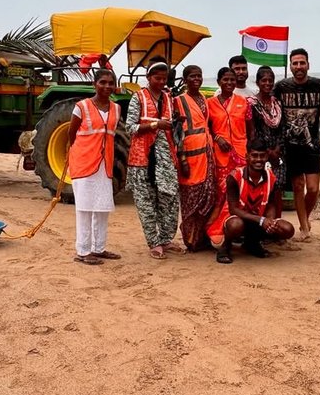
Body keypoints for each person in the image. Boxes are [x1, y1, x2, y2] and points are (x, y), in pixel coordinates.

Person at [126, 59, 183, 260]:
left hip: (166, 158)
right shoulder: (138, 98)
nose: (160, 82)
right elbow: (129, 127)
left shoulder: (169, 98)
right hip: (142, 159)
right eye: (157, 78)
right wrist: (154, 125)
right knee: (146, 202)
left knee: (169, 199)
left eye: (164, 78)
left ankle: (166, 239)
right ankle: (154, 242)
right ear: (148, 78)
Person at [67, 68, 122, 265]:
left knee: (101, 207)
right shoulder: (81, 107)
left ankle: (99, 248)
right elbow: (71, 134)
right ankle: (83, 251)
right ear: (94, 84)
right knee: (84, 208)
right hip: (84, 164)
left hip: (104, 165)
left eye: (110, 83)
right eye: (103, 82)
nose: (107, 86)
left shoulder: (116, 108)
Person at [211, 139, 296, 263]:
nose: (258, 160)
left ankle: (252, 243)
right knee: (235, 225)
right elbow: (233, 209)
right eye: (254, 156)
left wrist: (270, 221)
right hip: (239, 219)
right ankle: (226, 246)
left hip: (258, 222)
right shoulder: (234, 177)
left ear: (267, 156)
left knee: (287, 229)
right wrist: (261, 220)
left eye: (262, 156)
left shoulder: (271, 177)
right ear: (247, 157)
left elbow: (271, 203)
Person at [274, 48, 320, 241]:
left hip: (311, 145)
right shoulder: (281, 87)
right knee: (298, 186)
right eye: (295, 63)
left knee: (312, 189)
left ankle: (304, 217)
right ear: (290, 65)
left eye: (302, 63)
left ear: (308, 65)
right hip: (290, 147)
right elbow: (266, 101)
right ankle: (304, 227)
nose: (298, 67)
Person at [174, 65, 217, 251]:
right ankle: (190, 240)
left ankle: (202, 238)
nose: (197, 79)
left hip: (207, 155)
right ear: (185, 80)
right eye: (192, 76)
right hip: (190, 157)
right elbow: (176, 132)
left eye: (199, 76)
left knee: (208, 198)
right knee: (190, 198)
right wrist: (182, 159)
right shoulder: (178, 101)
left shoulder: (204, 99)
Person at [206, 67, 250, 246]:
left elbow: (251, 128)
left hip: (241, 154)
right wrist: (217, 138)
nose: (230, 83)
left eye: (232, 80)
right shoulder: (210, 103)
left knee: (240, 194)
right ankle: (217, 231)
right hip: (220, 155)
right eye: (226, 80)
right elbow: (206, 127)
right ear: (219, 82)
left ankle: (237, 231)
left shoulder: (243, 102)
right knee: (222, 194)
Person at [247, 66, 285, 217]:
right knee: (262, 189)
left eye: (270, 80)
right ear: (257, 82)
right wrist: (267, 152)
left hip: (279, 154)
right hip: (260, 154)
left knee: (278, 189)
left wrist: (277, 149)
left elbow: (283, 128)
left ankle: (277, 224)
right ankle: (263, 226)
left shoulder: (278, 103)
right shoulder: (251, 103)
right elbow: (252, 131)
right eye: (264, 80)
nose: (267, 83)